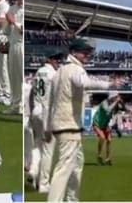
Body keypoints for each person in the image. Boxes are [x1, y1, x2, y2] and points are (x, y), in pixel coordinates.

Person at [46, 38, 122, 202]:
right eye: (84, 52)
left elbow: (51, 99)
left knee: (77, 164)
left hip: (63, 123)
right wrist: (109, 85)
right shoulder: (75, 68)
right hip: (68, 125)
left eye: (89, 52)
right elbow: (84, 83)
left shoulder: (59, 71)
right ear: (73, 52)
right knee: (64, 167)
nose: (87, 55)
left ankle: (72, 199)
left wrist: (47, 125)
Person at [29, 50, 64, 193]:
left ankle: (32, 170)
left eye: (58, 59)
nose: (57, 62)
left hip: (36, 111)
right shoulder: (54, 75)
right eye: (55, 59)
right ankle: (43, 184)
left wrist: (32, 110)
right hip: (47, 113)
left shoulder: (39, 72)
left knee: (38, 146)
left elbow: (32, 93)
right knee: (48, 151)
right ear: (49, 59)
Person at [4, 0, 23, 114]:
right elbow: (7, 30)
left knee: (21, 76)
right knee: (13, 76)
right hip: (13, 44)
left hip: (21, 45)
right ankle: (15, 105)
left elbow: (22, 31)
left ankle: (23, 105)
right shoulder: (12, 8)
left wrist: (13, 22)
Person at [92, 92, 124, 166]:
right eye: (115, 97)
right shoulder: (104, 102)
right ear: (112, 97)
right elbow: (108, 110)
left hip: (105, 124)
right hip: (97, 123)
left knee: (109, 140)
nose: (117, 98)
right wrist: (116, 102)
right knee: (102, 138)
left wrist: (113, 126)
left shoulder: (115, 104)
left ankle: (108, 159)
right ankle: (99, 156)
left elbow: (114, 114)